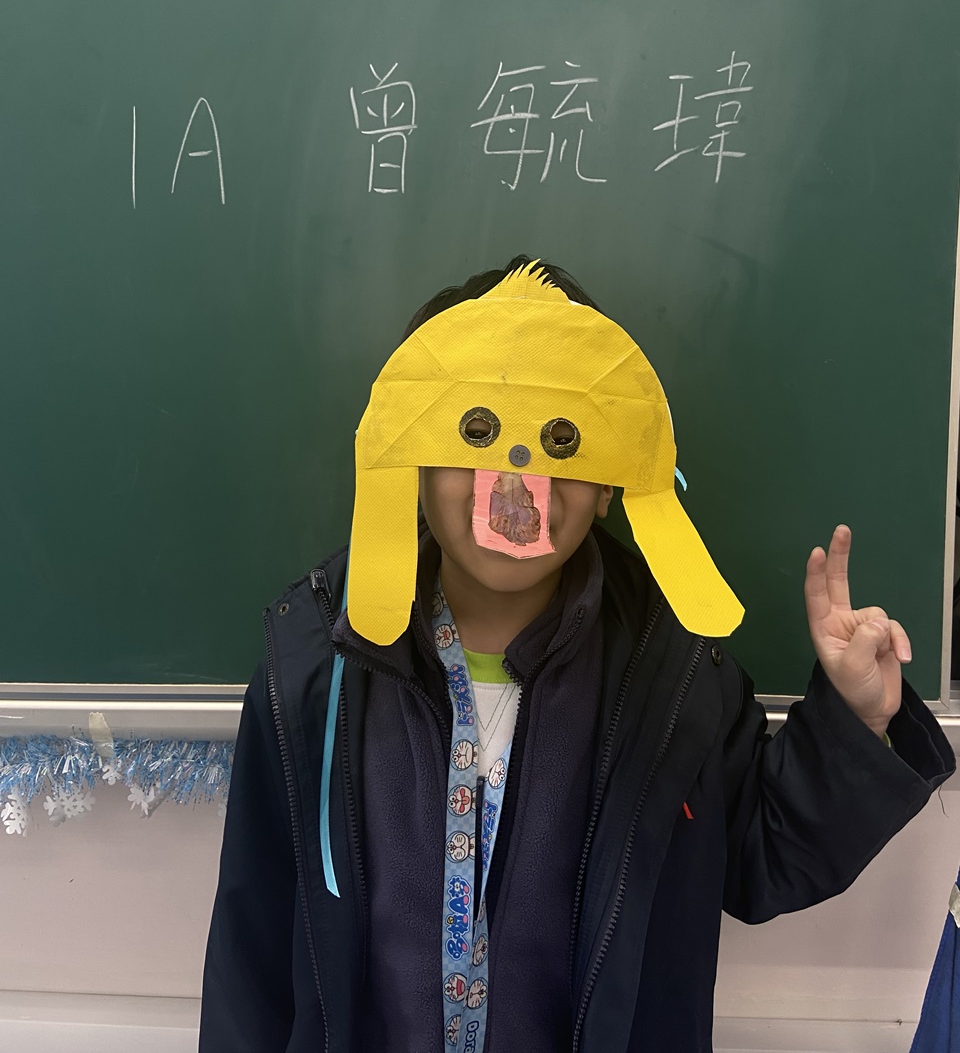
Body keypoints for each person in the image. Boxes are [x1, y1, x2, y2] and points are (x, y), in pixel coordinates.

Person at [199, 256, 954, 1053]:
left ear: (611, 484)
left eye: (563, 440)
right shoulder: (317, 666)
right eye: (475, 432)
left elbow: (763, 861)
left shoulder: (674, 678)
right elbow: (254, 945)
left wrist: (855, 719)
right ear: (412, 454)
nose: (516, 482)